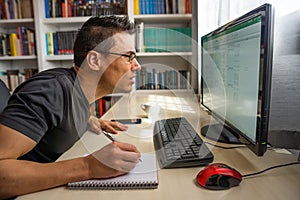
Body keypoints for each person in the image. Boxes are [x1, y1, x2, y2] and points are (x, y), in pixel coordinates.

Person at [0, 16, 141, 199]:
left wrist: (89, 120)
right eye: (129, 57)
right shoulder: (50, 92)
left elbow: (58, 117)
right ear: (94, 61)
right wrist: (89, 166)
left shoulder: (81, 92)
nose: (137, 66)